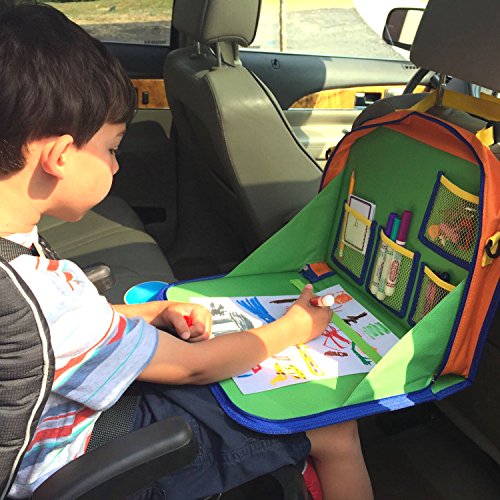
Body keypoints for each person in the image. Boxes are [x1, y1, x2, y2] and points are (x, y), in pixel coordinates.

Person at [0, 2, 373, 499]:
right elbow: (191, 366)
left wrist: (155, 310)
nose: (116, 167)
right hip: (79, 466)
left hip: (47, 423)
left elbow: (44, 333)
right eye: (112, 149)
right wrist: (293, 329)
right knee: (334, 427)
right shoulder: (36, 295)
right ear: (60, 156)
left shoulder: (23, 275)